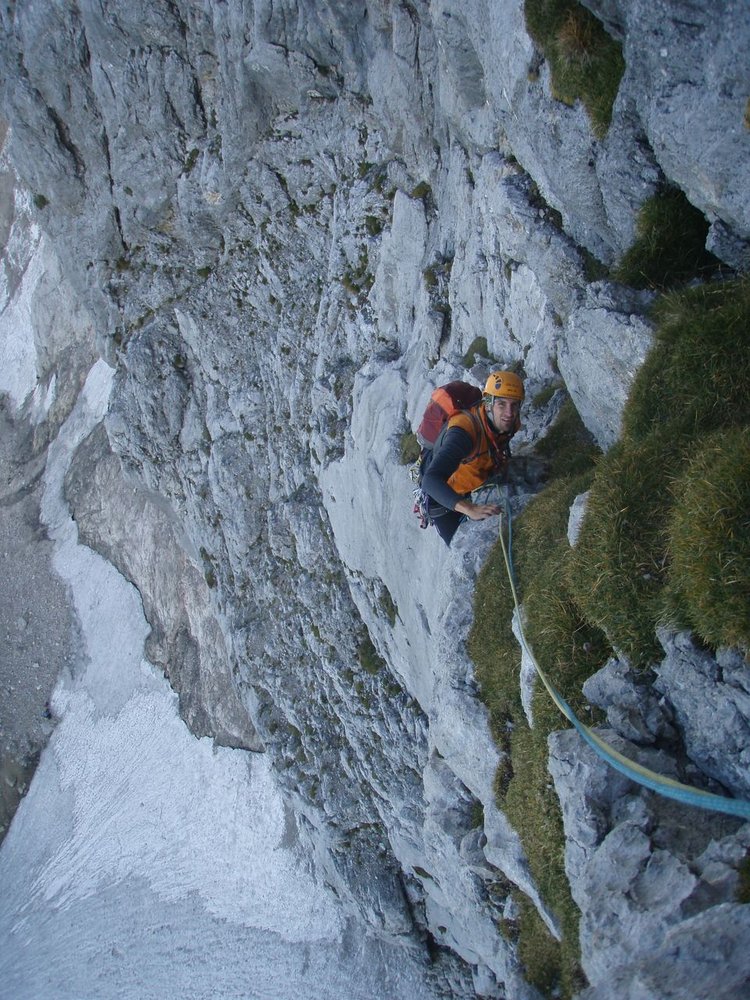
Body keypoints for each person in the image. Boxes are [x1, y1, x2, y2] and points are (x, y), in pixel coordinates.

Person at [420, 371, 524, 546]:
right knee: (465, 549)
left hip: (476, 481)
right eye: (501, 404)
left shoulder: (510, 422)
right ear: (488, 404)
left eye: (514, 405)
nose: (509, 413)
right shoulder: (464, 433)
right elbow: (430, 480)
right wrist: (470, 509)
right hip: (444, 501)